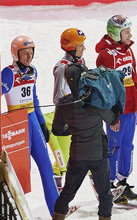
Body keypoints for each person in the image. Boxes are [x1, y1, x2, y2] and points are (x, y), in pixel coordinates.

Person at [52, 55, 121, 220]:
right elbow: (111, 119)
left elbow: (57, 130)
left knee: (68, 192)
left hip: (77, 154)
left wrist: (73, 129)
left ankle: (58, 216)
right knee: (104, 194)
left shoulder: (63, 103)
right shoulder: (94, 99)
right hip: (98, 154)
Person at [1, 35, 59, 216]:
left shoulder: (33, 71)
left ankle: (57, 211)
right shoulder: (8, 73)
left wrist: (42, 124)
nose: (28, 56)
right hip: (17, 124)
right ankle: (17, 213)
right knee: (20, 173)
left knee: (47, 167)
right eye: (24, 53)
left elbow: (34, 99)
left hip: (32, 121)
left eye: (31, 52)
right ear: (15, 54)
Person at [95, 14, 137, 204]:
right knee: (113, 147)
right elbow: (104, 89)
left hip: (131, 108)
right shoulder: (105, 55)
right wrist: (111, 115)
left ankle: (123, 183)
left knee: (127, 146)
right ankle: (109, 185)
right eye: (127, 31)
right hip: (117, 111)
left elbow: (135, 79)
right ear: (116, 33)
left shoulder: (128, 51)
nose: (130, 35)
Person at [46, 27, 87, 191]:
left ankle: (103, 194)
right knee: (63, 160)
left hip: (82, 115)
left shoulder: (81, 62)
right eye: (81, 45)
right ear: (72, 47)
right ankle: (58, 196)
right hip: (67, 117)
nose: (84, 48)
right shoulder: (61, 67)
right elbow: (57, 97)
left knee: (90, 154)